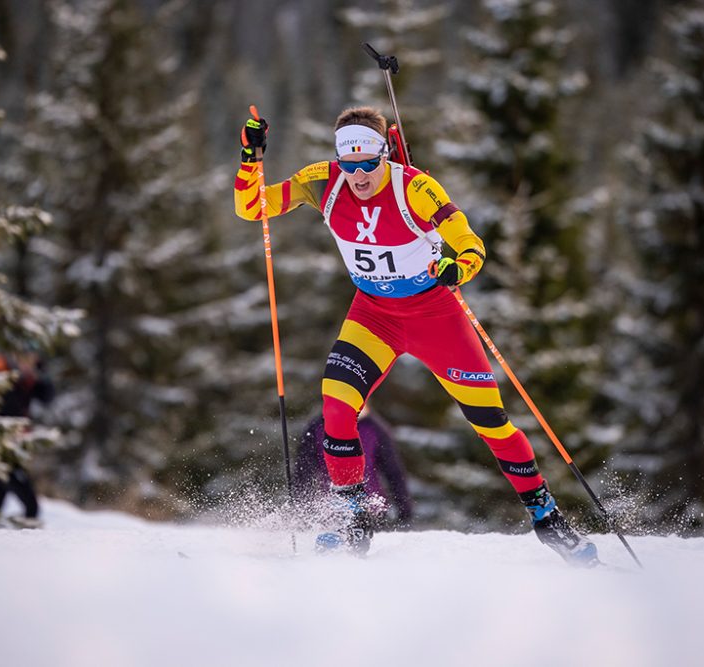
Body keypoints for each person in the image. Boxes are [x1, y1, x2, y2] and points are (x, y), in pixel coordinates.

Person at [233, 107, 598, 565]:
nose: (359, 175)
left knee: (491, 423)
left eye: (369, 162)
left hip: (435, 316)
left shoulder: (415, 187)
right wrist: (251, 156)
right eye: (350, 164)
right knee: (337, 409)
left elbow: (469, 242)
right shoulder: (322, 182)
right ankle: (354, 516)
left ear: (383, 154)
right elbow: (253, 208)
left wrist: (456, 266)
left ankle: (547, 516)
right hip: (373, 315)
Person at [295, 405, 413, 531]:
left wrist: (404, 509)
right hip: (332, 510)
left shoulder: (375, 428)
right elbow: (303, 472)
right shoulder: (317, 427)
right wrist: (299, 507)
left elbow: (393, 471)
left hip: (371, 510)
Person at [0, 350, 55, 525]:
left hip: (17, 442)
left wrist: (42, 374)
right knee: (30, 503)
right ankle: (26, 534)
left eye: (32, 360)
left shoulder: (28, 380)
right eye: (24, 358)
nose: (28, 363)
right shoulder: (0, 368)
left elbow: (47, 397)